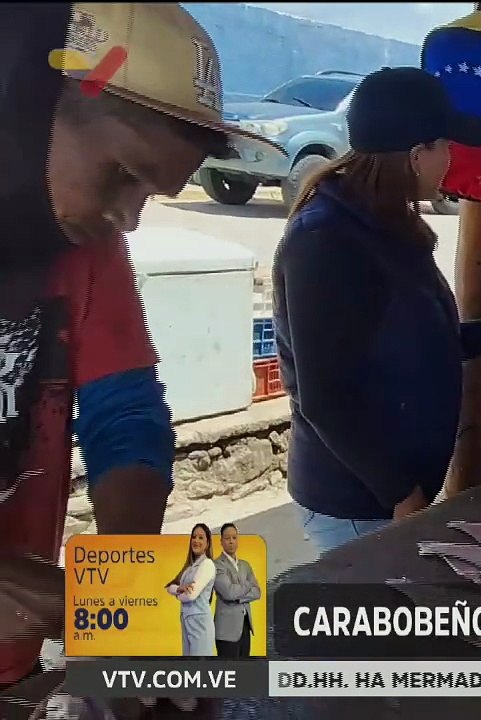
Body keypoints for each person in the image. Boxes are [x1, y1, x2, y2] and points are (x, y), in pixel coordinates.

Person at [0, 3, 280, 708]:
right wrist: (50, 595)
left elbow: (126, 417)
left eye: (152, 194)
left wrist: (124, 600)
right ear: (32, 103)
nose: (127, 218)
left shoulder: (88, 248)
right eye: (123, 174)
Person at [274, 67, 481, 555]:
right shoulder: (325, 240)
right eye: (447, 147)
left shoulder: (390, 221)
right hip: (359, 501)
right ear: (417, 156)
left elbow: (434, 341)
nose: (451, 160)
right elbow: (324, 397)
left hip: (395, 491)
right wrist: (402, 494)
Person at [166, 524, 218, 657]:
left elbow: (190, 595)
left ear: (207, 544)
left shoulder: (207, 564)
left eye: (201, 538)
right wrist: (179, 589)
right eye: (194, 537)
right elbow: (170, 587)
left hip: (200, 624)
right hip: (186, 621)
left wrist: (178, 594)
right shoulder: (189, 567)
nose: (196, 541)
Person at [212, 523, 261, 658]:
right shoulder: (216, 565)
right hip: (226, 631)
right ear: (221, 541)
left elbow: (257, 592)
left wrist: (238, 597)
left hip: (245, 626)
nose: (231, 541)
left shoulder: (245, 565)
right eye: (227, 538)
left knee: (244, 671)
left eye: (234, 537)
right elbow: (228, 593)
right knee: (229, 672)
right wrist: (246, 585)